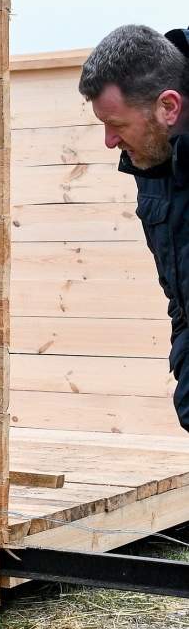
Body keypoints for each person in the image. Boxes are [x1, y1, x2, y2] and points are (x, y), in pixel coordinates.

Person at [79, 25, 189, 431]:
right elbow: (179, 294)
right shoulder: (154, 157)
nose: (109, 141)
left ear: (169, 107)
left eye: (116, 125)